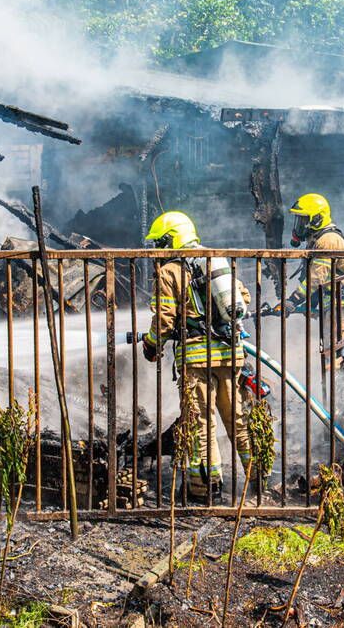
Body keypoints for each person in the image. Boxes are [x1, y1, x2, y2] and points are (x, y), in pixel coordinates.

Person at [142, 211, 253, 502]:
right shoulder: (217, 261)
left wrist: (151, 345)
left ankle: (206, 491)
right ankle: (259, 480)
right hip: (231, 355)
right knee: (238, 419)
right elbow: (243, 299)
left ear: (170, 240)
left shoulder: (169, 272)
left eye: (160, 243)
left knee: (201, 424)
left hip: (196, 359)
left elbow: (164, 320)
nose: (158, 250)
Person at [283, 193, 344, 367]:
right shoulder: (318, 238)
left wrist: (293, 300)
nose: (300, 225)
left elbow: (317, 277)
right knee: (332, 354)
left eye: (304, 220)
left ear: (317, 218)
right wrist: (311, 303)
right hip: (334, 306)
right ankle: (339, 392)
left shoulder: (328, 239)